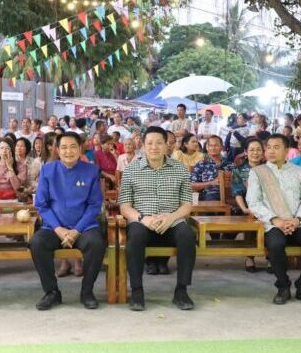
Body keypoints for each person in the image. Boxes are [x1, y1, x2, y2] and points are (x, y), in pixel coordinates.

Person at [119, 126, 195, 311]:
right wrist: (142, 218)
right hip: (143, 222)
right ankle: (137, 291)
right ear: (143, 146)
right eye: (150, 143)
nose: (154, 147)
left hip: (172, 222)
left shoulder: (179, 169)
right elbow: (124, 206)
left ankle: (181, 291)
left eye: (159, 143)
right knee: (135, 236)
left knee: (187, 235)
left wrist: (171, 217)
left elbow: (187, 205)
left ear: (167, 145)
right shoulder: (132, 170)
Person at [30, 132, 105, 310]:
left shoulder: (91, 170)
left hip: (84, 228)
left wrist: (76, 230)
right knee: (37, 243)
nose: (68, 151)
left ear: (80, 149)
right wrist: (59, 229)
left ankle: (87, 292)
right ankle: (52, 292)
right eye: (63, 147)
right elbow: (41, 204)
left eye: (73, 147)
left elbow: (95, 205)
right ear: (57, 149)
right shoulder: (48, 170)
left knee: (96, 243)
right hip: (54, 227)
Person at [247, 134, 301, 305]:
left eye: (276, 147)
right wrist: (276, 220)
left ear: (287, 150)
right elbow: (253, 202)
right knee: (275, 244)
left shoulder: (299, 172)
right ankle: (283, 286)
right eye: (269, 147)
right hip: (272, 223)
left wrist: (297, 220)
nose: (271, 151)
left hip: (299, 222)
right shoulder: (257, 173)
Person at [232, 137, 265, 272]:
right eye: (252, 150)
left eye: (258, 150)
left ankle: (270, 256)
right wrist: (245, 208)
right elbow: (237, 192)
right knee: (251, 218)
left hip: (268, 205)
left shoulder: (269, 169)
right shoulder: (239, 170)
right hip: (247, 205)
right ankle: (250, 257)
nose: (255, 153)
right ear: (245, 152)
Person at [190, 136, 233, 202]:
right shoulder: (201, 164)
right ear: (207, 147)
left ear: (222, 147)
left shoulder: (230, 164)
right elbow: (192, 185)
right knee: (211, 198)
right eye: (210, 145)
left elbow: (237, 183)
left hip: (229, 195)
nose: (213, 148)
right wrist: (211, 183)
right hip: (209, 196)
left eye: (216, 145)